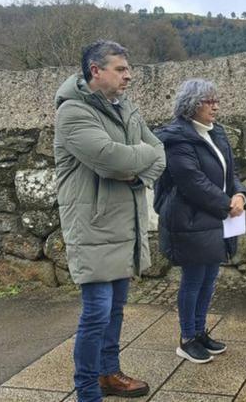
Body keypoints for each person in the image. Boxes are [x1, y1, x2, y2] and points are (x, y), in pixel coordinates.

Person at [54, 40, 165, 401]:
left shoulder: (125, 106)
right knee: (97, 313)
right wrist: (138, 159)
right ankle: (87, 391)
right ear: (95, 71)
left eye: (127, 68)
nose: (128, 75)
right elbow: (109, 158)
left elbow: (159, 152)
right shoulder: (72, 112)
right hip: (93, 226)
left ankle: (109, 373)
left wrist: (139, 173)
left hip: (124, 225)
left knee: (116, 309)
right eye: (120, 69)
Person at [154, 78, 246, 364]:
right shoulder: (177, 138)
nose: (216, 106)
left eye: (216, 101)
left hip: (213, 219)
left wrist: (240, 194)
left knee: (209, 278)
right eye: (209, 101)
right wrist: (225, 205)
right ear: (192, 105)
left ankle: (199, 332)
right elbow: (191, 181)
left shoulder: (213, 132)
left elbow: (228, 171)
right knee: (194, 279)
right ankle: (187, 338)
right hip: (190, 220)